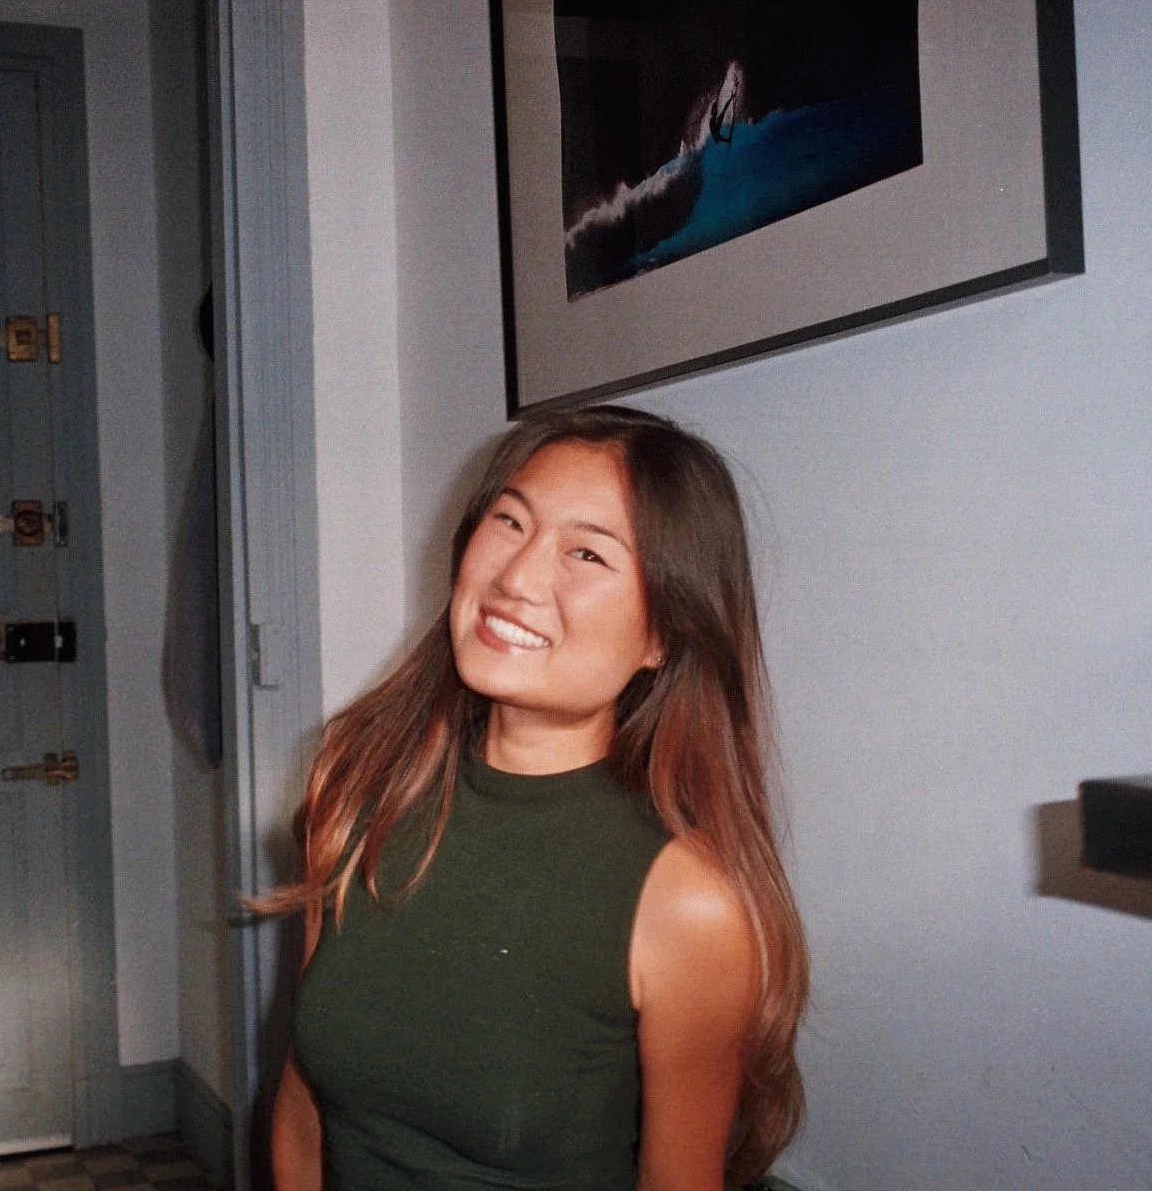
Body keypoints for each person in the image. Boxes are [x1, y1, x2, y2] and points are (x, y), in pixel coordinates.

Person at [264, 405, 808, 1191]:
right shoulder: (356, 789)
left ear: (665, 633)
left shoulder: (687, 905)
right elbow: (301, 1105)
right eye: (509, 522)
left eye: (586, 552)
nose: (516, 578)